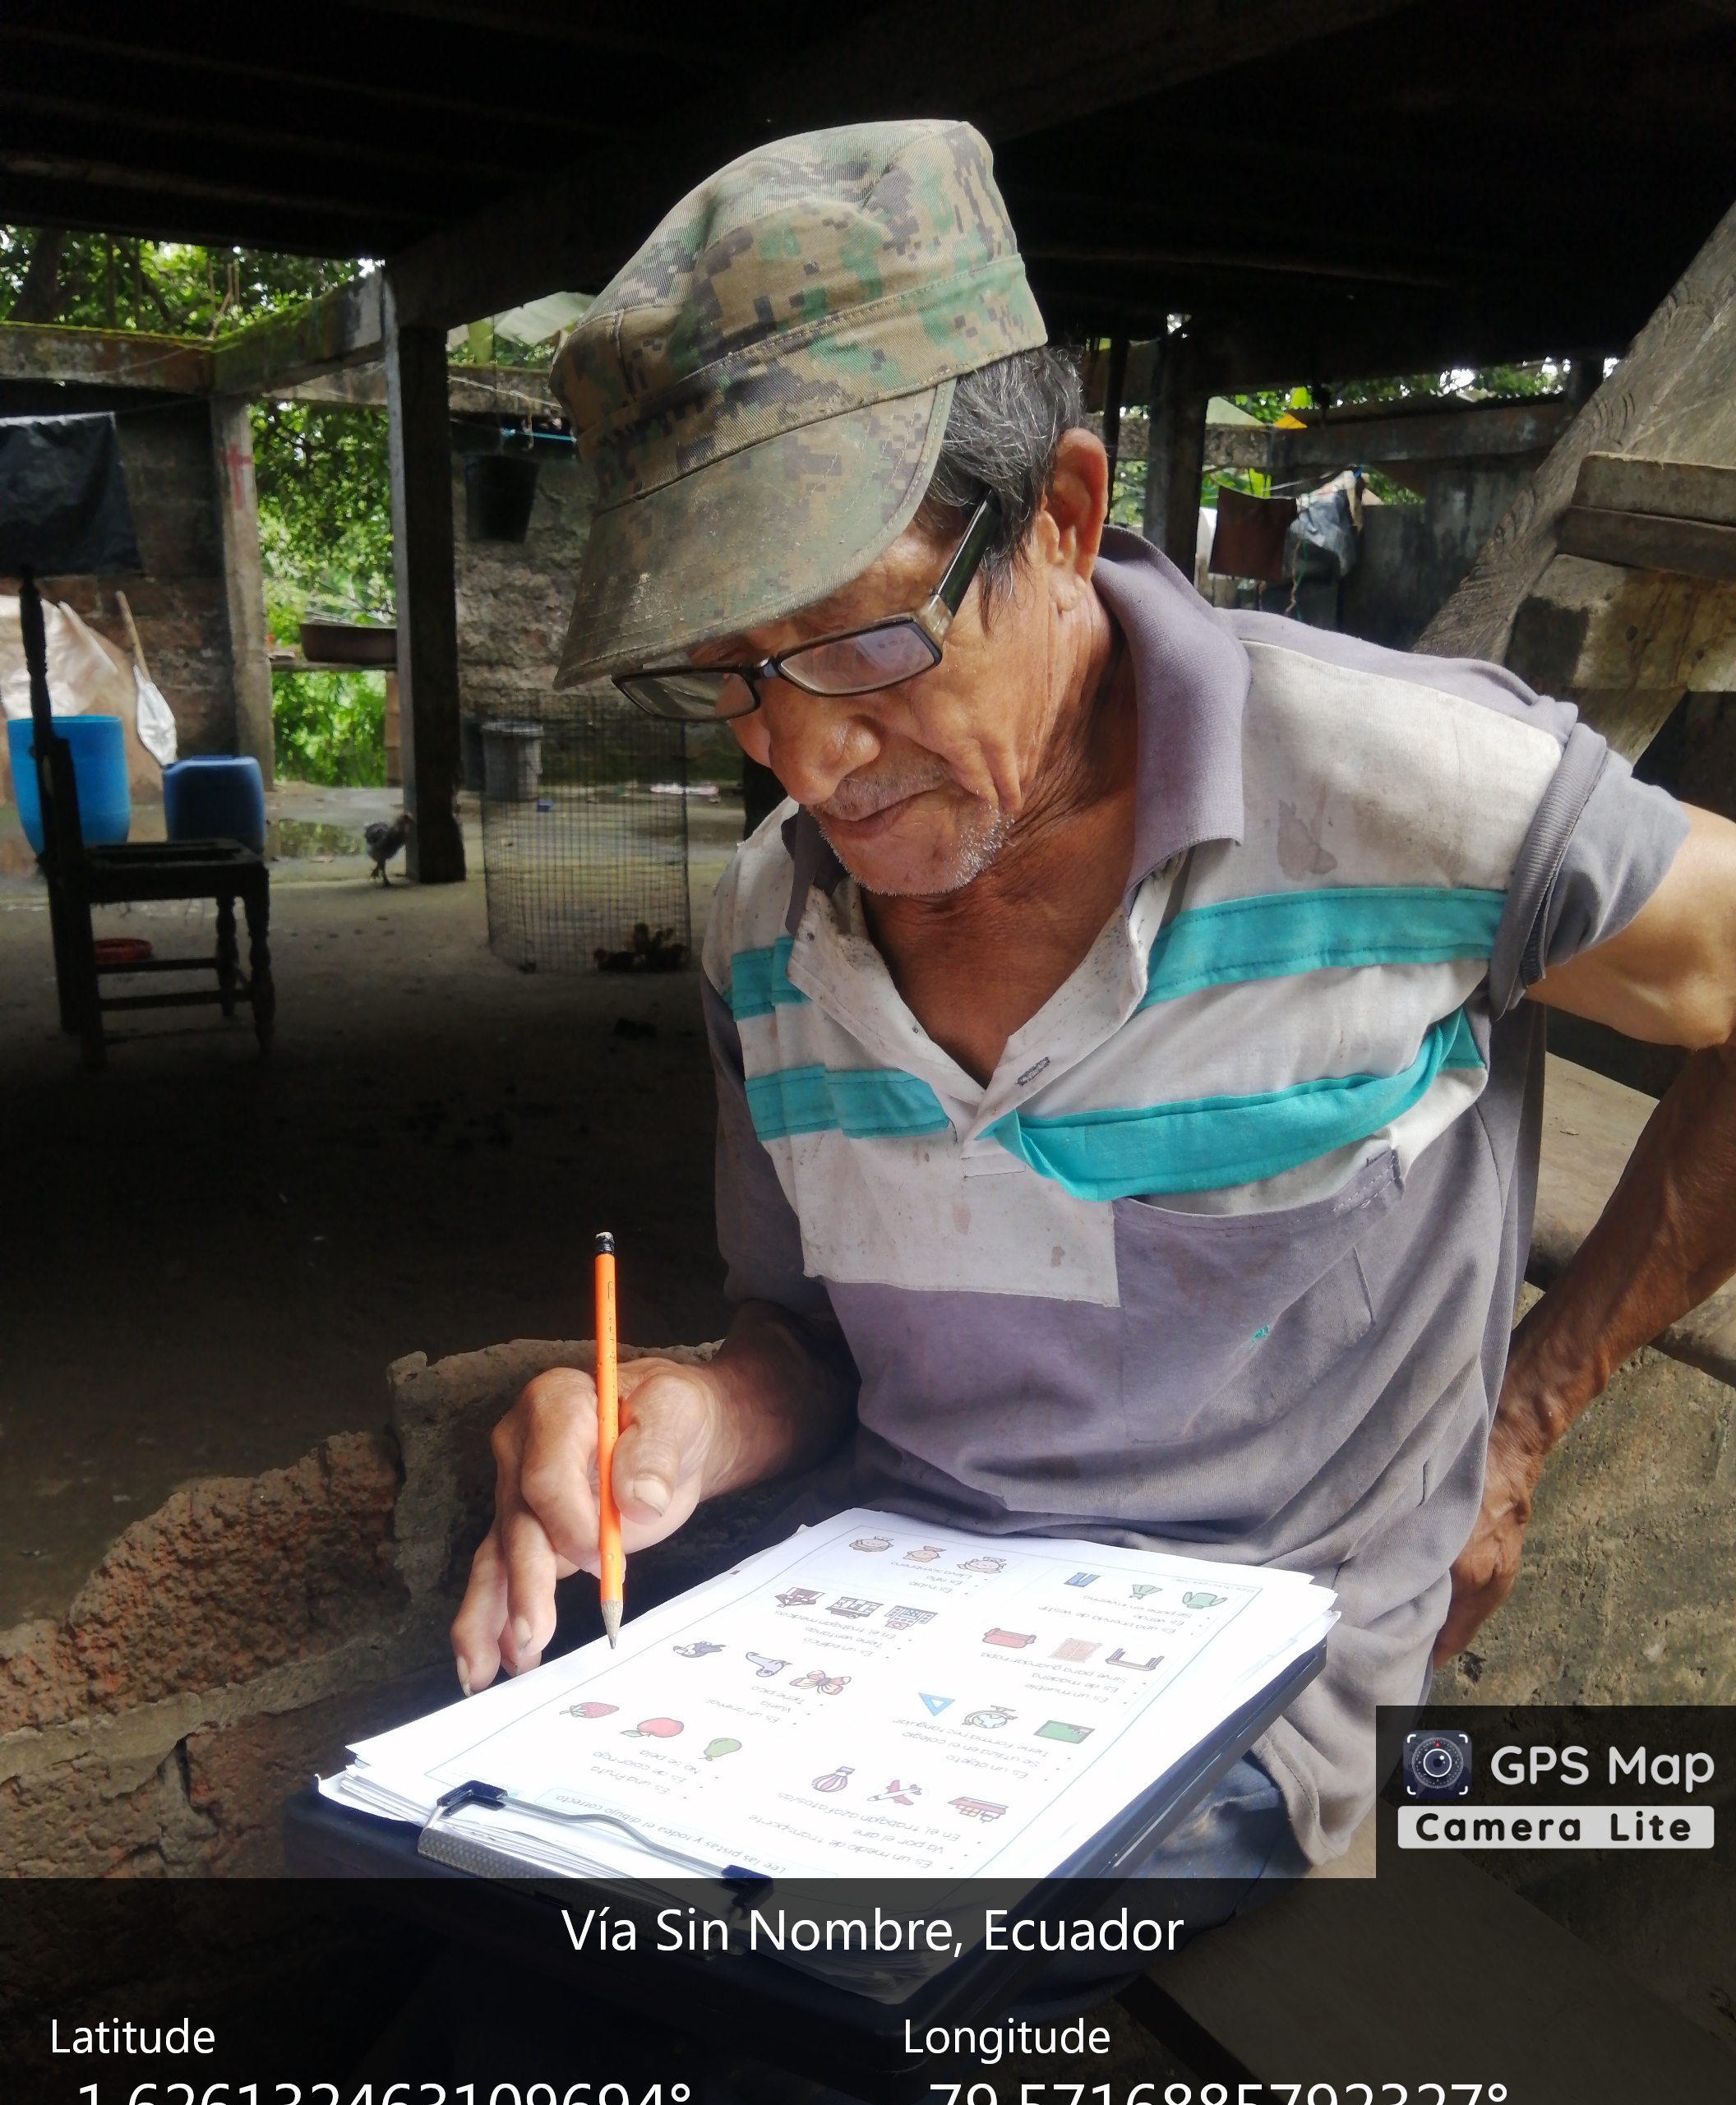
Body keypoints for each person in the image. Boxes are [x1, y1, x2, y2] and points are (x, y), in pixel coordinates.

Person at [451, 118, 1736, 1855]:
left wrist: (1528, 1411)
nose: (805, 760)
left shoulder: (1408, 794)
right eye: (729, 676)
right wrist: (678, 1415)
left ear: (1061, 517)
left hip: (1259, 1720)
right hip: (880, 1674)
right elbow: (810, 1350)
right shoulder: (770, 925)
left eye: (861, 640)